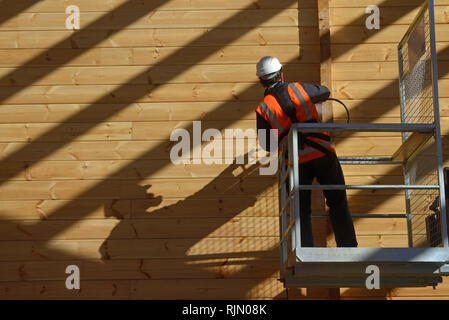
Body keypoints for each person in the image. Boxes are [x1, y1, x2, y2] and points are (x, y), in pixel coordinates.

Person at [255, 56, 358, 247]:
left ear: (261, 82)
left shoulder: (263, 108)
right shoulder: (298, 88)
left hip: (295, 161)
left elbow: (267, 145)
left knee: (300, 210)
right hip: (321, 153)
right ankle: (348, 246)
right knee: (337, 201)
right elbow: (325, 92)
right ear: (281, 74)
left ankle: (305, 253)